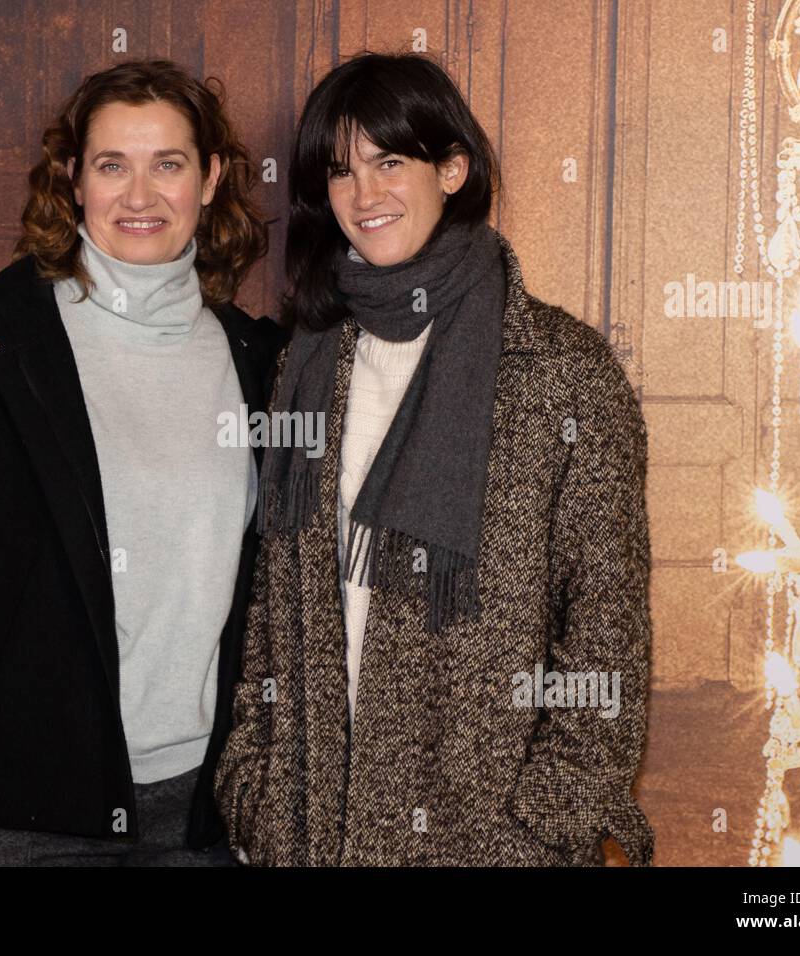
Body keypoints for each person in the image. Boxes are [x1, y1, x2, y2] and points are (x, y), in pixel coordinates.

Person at [215, 51, 655, 866]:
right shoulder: (308, 360)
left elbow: (607, 635)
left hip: (485, 843)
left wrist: (539, 830)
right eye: (340, 172)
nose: (364, 196)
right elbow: (275, 612)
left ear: (452, 168)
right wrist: (258, 794)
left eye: (390, 162)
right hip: (313, 837)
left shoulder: (562, 371)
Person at [0, 59, 285, 866]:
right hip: (30, 821)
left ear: (210, 180)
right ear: (73, 181)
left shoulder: (258, 360)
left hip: (212, 815)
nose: (140, 196)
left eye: (167, 164)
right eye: (111, 166)